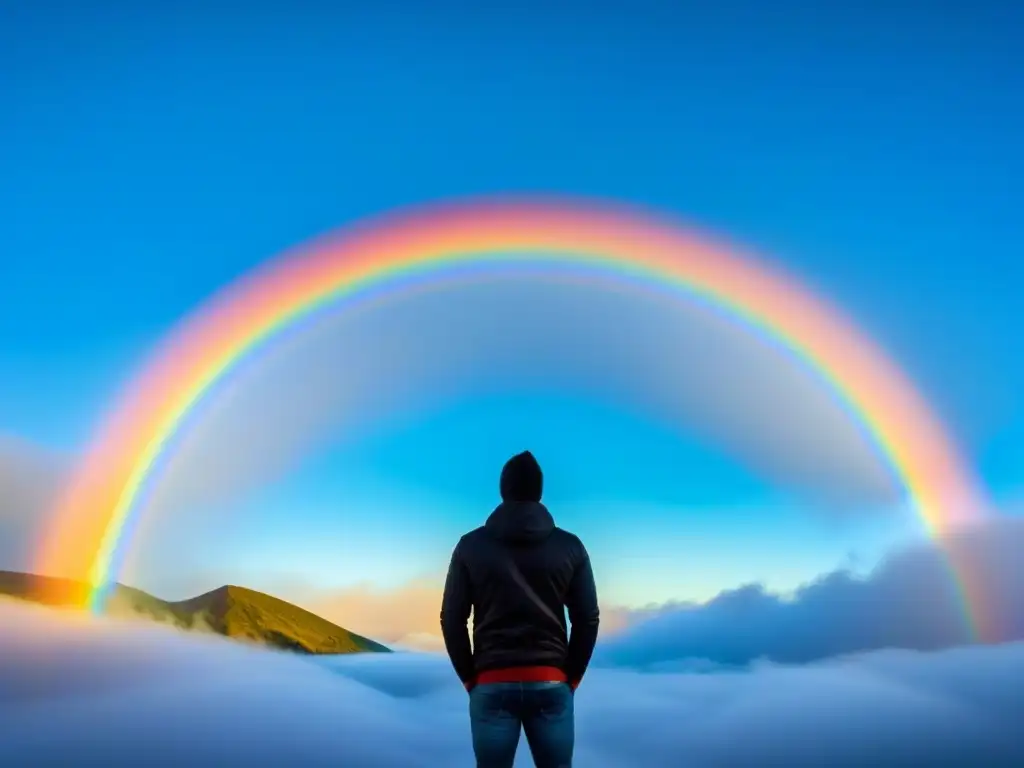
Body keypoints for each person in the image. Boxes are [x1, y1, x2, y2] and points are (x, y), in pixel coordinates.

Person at [440, 450, 600, 768]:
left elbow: (452, 619)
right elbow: (587, 619)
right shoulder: (571, 546)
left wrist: (471, 678)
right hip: (552, 682)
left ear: (503, 491)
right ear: (539, 492)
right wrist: (572, 678)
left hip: (490, 681)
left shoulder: (470, 546)